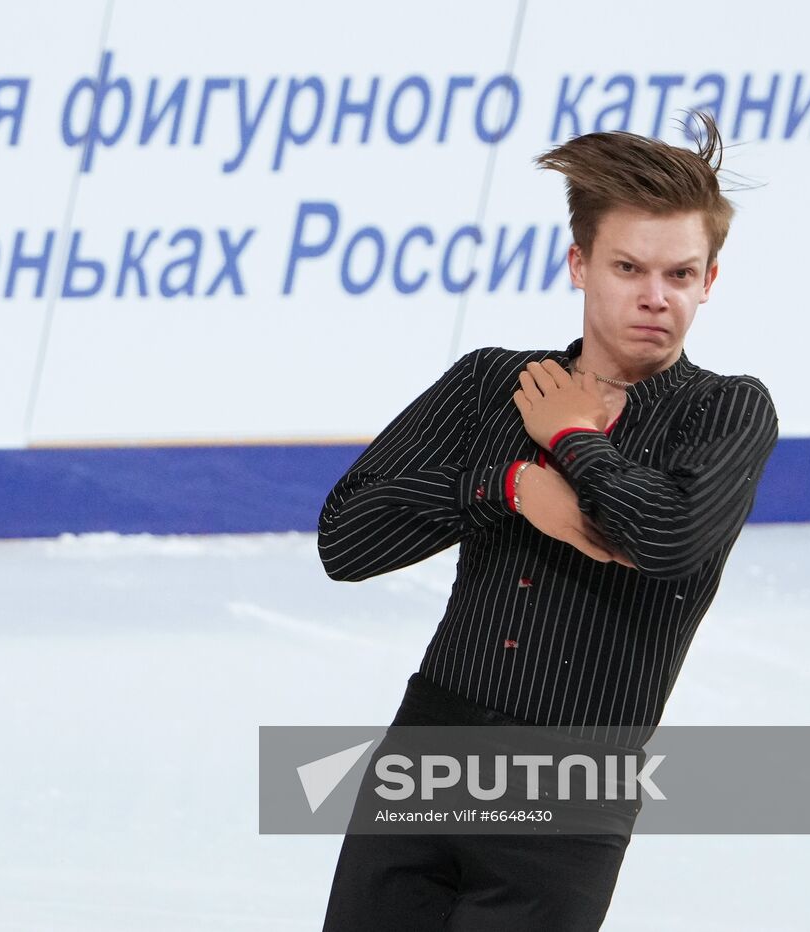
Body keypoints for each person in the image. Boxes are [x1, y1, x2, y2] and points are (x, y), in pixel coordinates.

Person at [316, 112, 780, 930]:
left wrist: (573, 440)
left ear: (710, 280)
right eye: (629, 267)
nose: (654, 297)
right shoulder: (489, 383)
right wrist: (508, 485)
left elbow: (668, 539)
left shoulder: (725, 410)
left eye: (680, 274)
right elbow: (344, 539)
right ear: (580, 263)